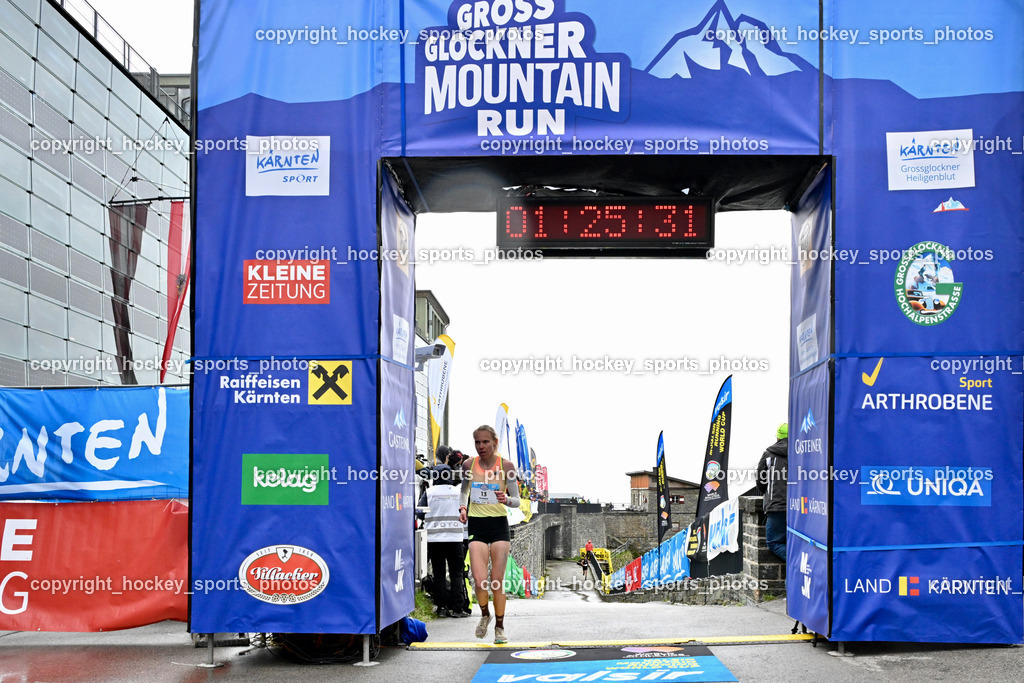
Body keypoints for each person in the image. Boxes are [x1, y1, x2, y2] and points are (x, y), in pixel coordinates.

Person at [459, 425, 519, 645]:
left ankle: (500, 627)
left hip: (498, 525)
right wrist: (463, 508)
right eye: (477, 442)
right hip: (477, 524)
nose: (481, 446)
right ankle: (485, 614)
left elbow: (517, 500)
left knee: (497, 582)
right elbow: (464, 490)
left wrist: (506, 499)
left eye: (485, 442)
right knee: (479, 580)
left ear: (495, 442)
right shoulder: (469, 464)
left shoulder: (506, 466)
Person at [423, 464, 469, 618]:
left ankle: (441, 607)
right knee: (457, 574)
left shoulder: (428, 493)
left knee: (439, 573)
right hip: (455, 539)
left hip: (434, 539)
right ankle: (457, 608)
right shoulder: (459, 493)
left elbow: (419, 513)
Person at [756, 423, 789, 562]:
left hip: (777, 506)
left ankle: (798, 562)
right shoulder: (802, 451)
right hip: (802, 508)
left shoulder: (769, 454)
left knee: (774, 543)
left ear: (778, 437)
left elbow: (761, 481)